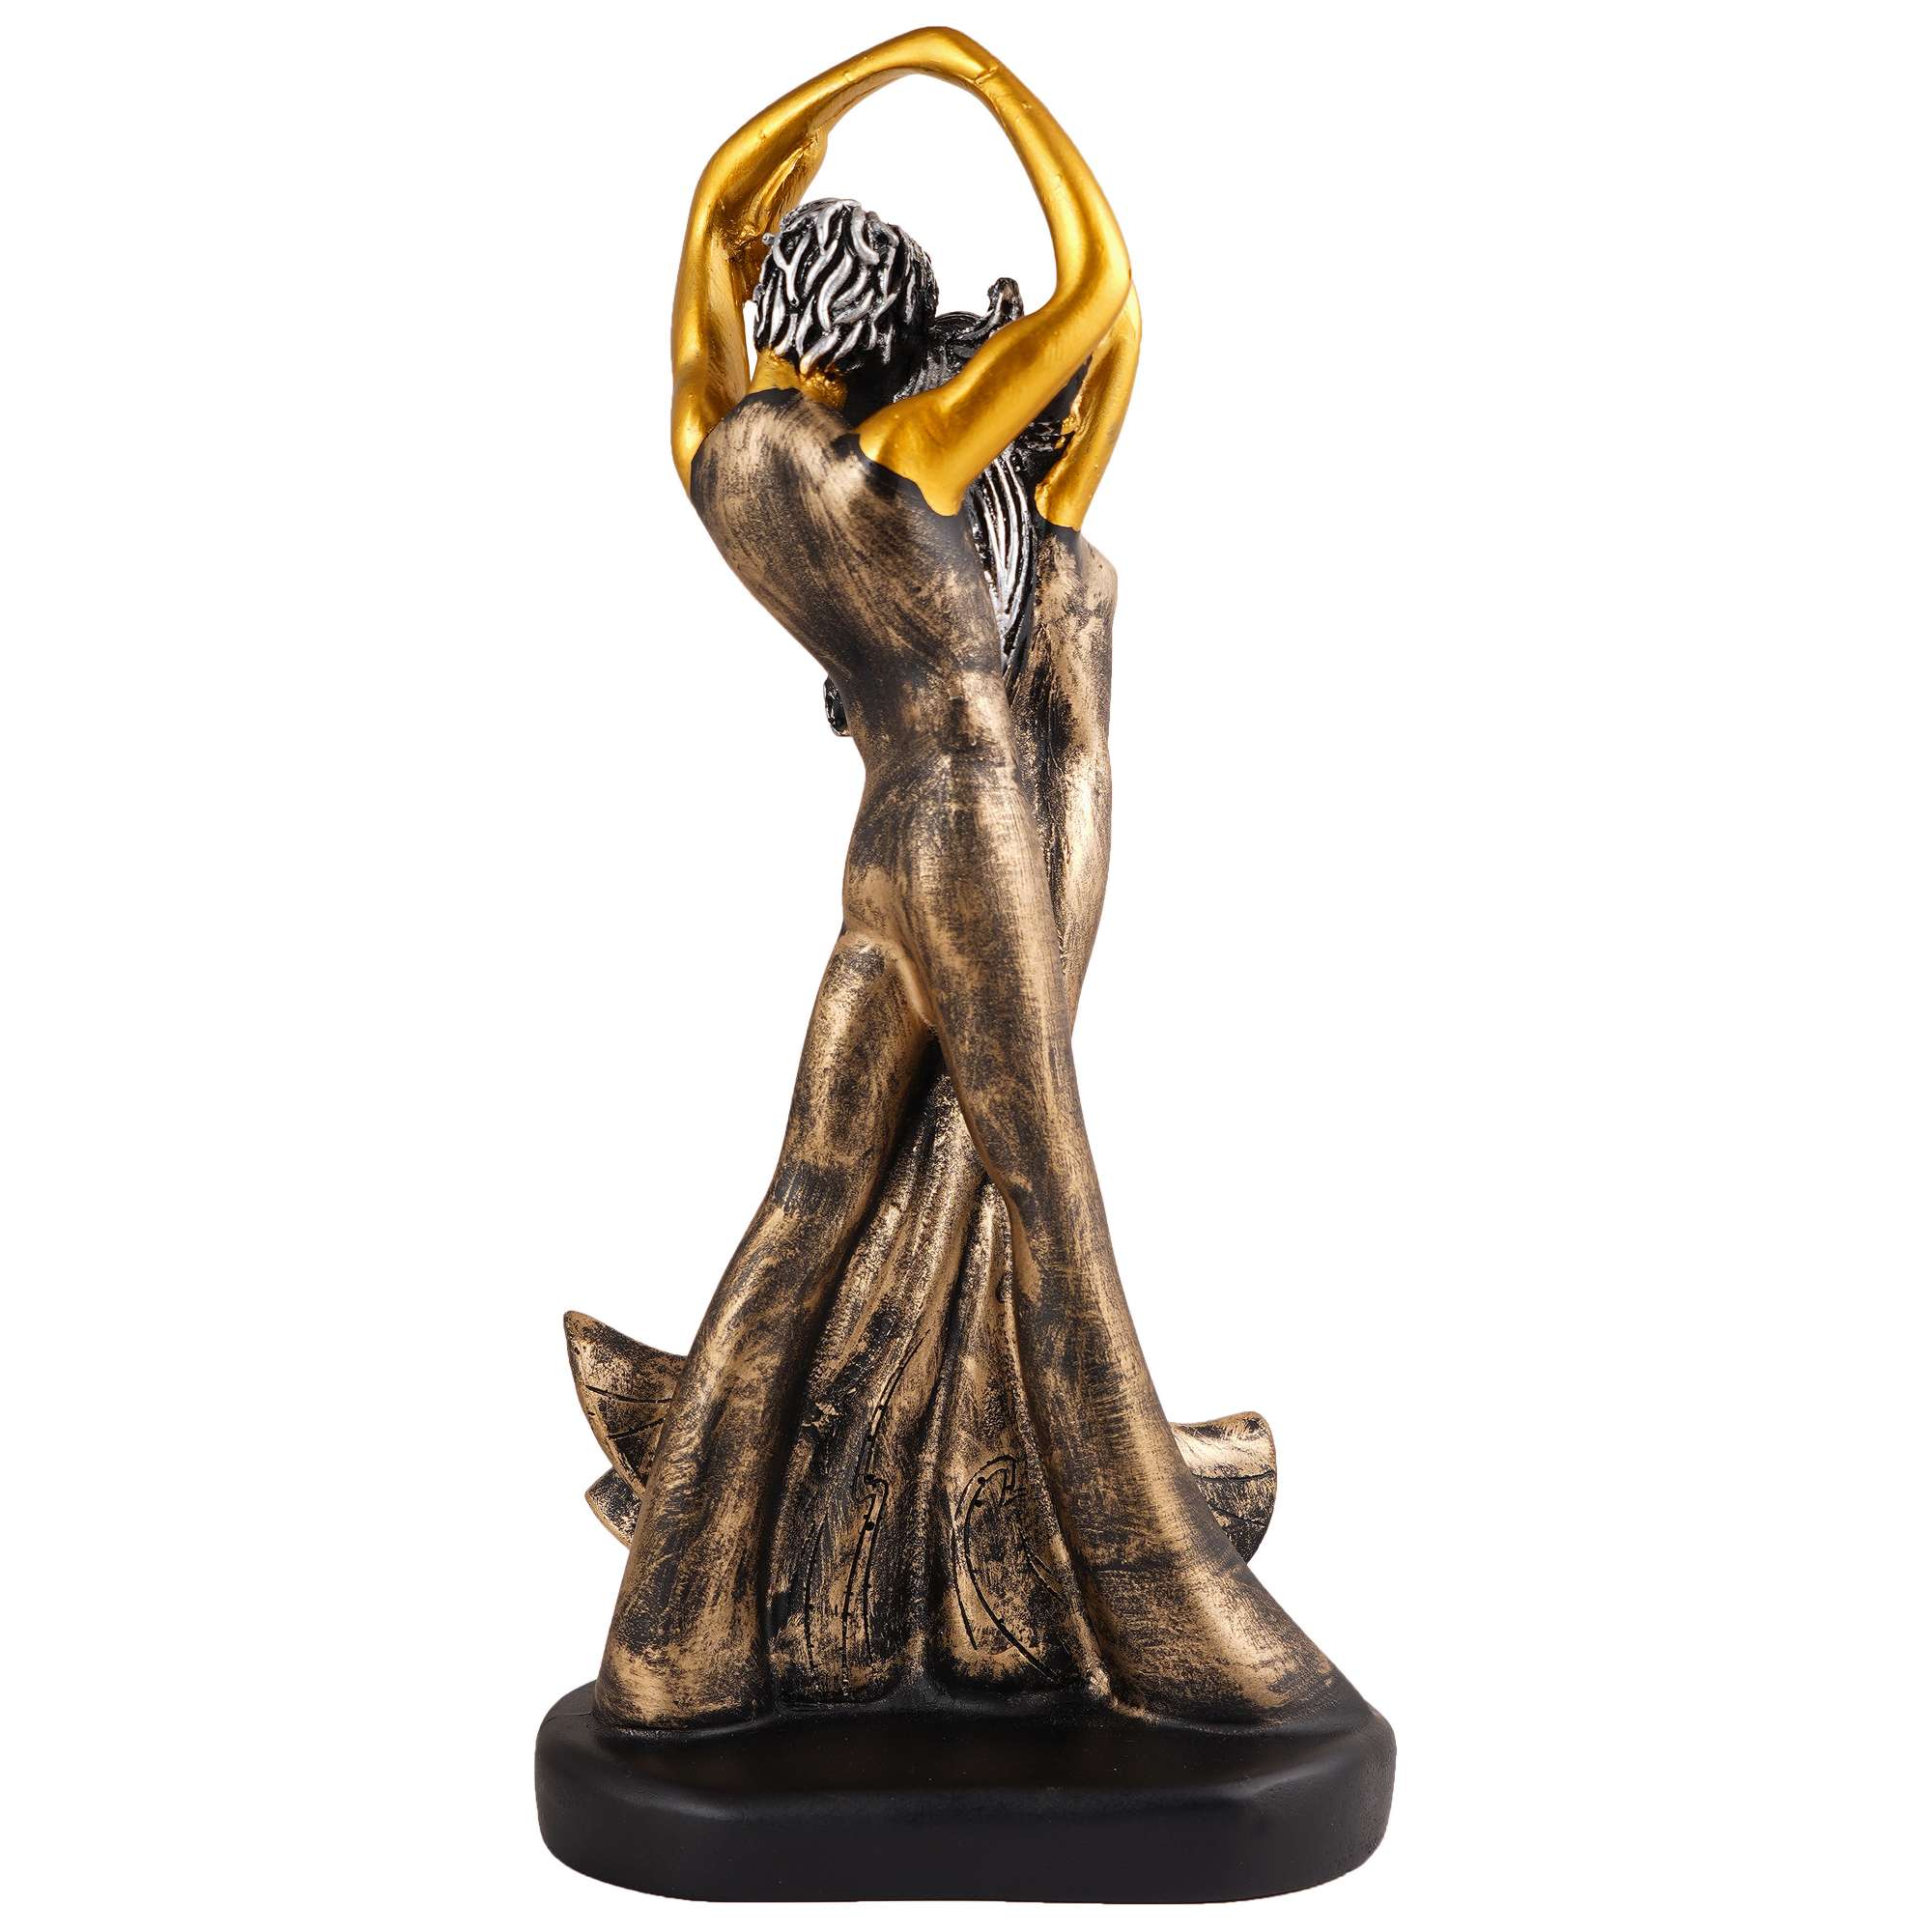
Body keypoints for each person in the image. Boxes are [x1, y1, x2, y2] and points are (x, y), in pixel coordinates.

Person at [600, 27, 1355, 1732]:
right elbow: (1102, 296)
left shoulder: (719, 455)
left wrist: (851, 89)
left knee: (810, 1196)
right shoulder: (907, 465)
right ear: (886, 338)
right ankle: (1173, 1624)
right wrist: (974, 74)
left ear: (785, 304)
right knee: (1051, 1201)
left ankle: (671, 1640)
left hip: (876, 848)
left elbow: (716, 205)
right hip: (971, 830)